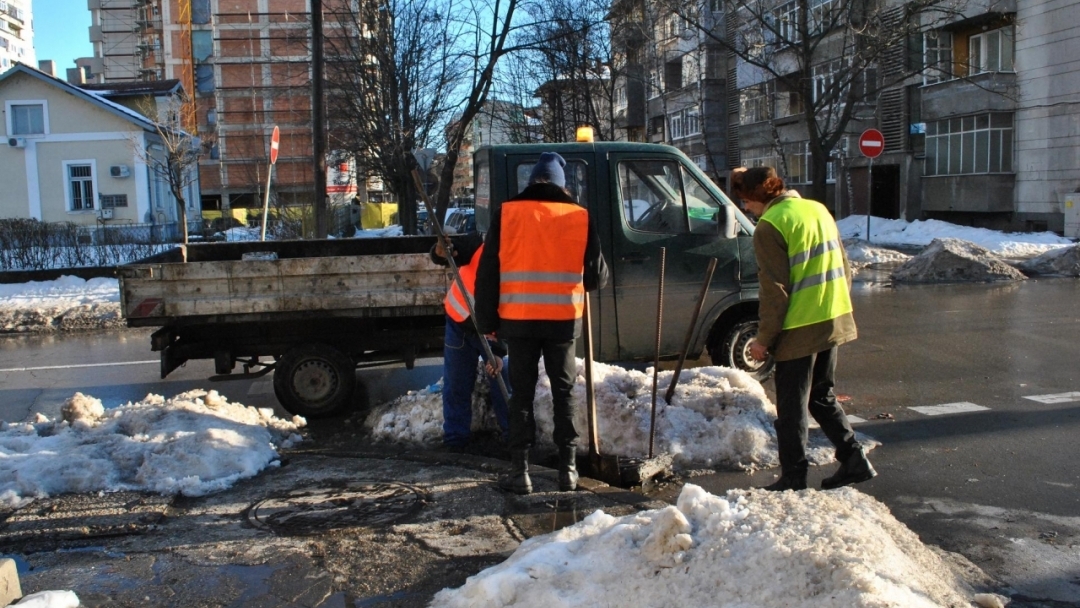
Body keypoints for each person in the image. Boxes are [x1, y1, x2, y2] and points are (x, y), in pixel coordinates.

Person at [733, 166, 876, 492]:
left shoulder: (769, 226)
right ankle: (854, 458)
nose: (745, 209)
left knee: (792, 405)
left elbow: (775, 290)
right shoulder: (816, 209)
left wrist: (763, 340)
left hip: (800, 324)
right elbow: (844, 264)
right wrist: (836, 302)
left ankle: (794, 476)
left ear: (758, 197)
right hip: (833, 313)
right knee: (821, 395)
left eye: (746, 202)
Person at [475, 152, 610, 495]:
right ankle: (568, 471)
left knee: (522, 394)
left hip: (518, 320)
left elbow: (488, 272)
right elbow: (596, 276)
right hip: (563, 321)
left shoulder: (507, 214)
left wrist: (488, 321)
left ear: (532, 180)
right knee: (563, 393)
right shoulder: (579, 216)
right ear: (561, 185)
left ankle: (521, 472)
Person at [430, 229, 511, 451]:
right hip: (460, 324)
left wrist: (497, 352)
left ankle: (514, 439)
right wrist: (440, 252)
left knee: (503, 378)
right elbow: (447, 253)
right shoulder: (478, 243)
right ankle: (455, 441)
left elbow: (511, 314)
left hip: (492, 331)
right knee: (456, 383)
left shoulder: (516, 267)